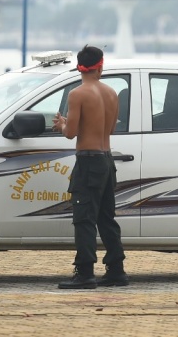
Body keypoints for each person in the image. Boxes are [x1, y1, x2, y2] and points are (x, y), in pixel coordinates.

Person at [53, 46, 128, 289]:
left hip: (88, 160)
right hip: (107, 159)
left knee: (84, 218)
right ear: (100, 65)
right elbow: (111, 129)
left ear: (79, 66)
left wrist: (62, 125)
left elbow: (71, 133)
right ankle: (116, 269)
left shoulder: (78, 94)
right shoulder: (111, 93)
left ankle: (85, 272)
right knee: (107, 217)